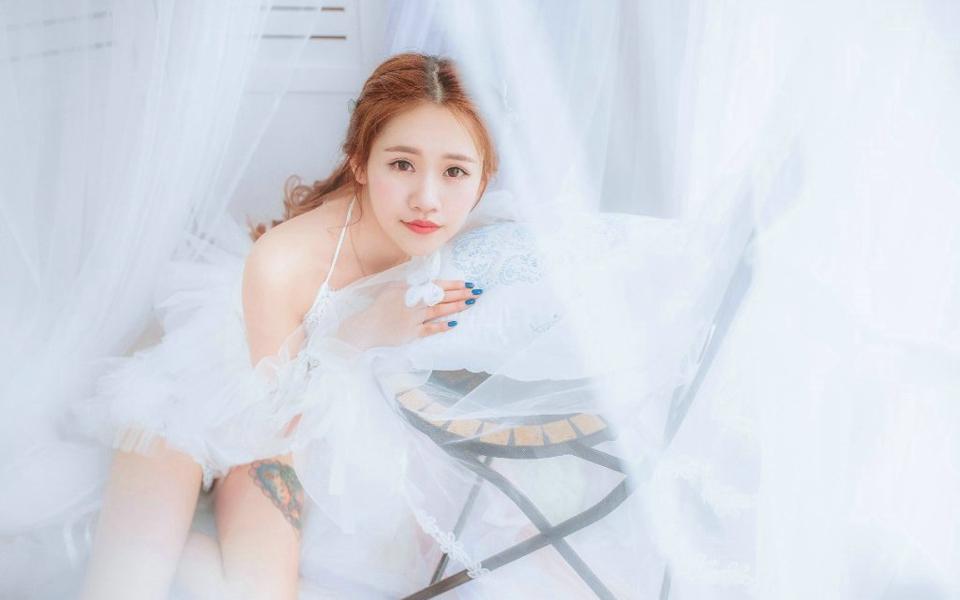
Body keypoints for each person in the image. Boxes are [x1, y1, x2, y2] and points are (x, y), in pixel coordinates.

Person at [78, 52, 500, 600]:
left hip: (286, 438)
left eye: (455, 172)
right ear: (359, 162)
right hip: (215, 397)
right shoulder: (282, 262)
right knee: (124, 587)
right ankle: (129, 539)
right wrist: (363, 330)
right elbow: (274, 416)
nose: (427, 199)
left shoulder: (481, 234)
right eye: (401, 164)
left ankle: (167, 547)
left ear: (483, 179)